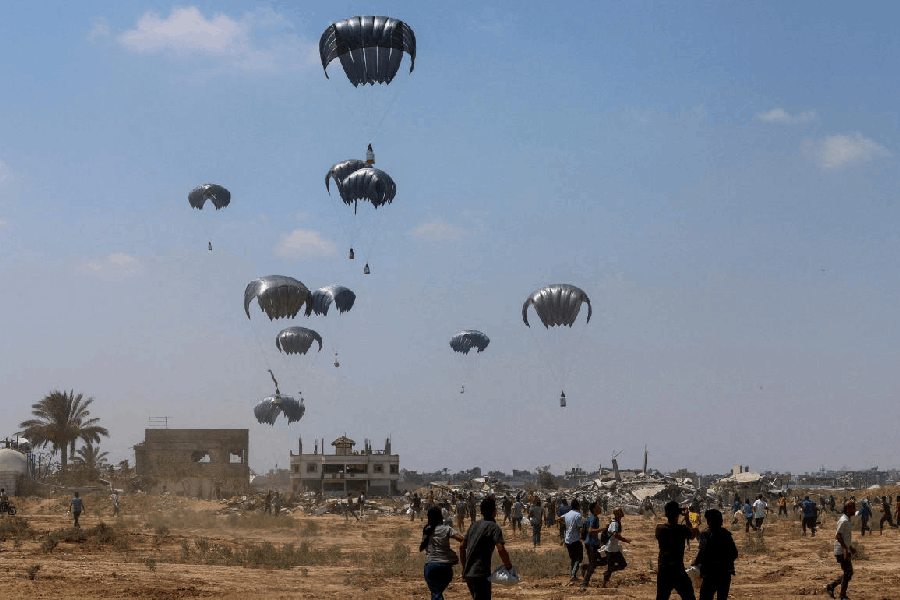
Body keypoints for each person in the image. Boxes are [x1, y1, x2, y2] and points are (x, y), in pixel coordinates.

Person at [459, 497, 513, 600]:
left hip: (469, 572)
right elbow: (501, 549)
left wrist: (464, 567)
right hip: (481, 573)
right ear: (494, 511)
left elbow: (462, 546)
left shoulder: (474, 525)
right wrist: (508, 566)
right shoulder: (494, 527)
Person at [655, 500, 698, 600]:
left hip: (664, 569)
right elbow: (693, 534)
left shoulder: (660, 529)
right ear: (678, 514)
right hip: (678, 570)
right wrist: (687, 518)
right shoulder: (682, 529)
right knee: (689, 597)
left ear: (666, 514)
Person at [692, 509, 738, 600]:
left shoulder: (705, 535)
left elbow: (702, 553)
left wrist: (696, 563)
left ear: (708, 522)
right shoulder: (726, 534)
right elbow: (734, 553)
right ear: (721, 521)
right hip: (725, 574)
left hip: (710, 574)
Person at [420, 506, 463, 600]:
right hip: (446, 566)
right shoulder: (447, 529)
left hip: (430, 564)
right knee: (437, 592)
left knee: (436, 592)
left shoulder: (426, 530)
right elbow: (461, 539)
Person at [825, 500, 857, 599]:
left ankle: (831, 586)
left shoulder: (847, 519)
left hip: (845, 549)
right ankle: (842, 596)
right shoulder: (843, 520)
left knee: (849, 573)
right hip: (841, 551)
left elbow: (844, 536)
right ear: (847, 509)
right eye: (853, 507)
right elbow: (838, 536)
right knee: (847, 573)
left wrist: (850, 548)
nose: (855, 509)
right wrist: (845, 549)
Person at [601, 506, 630, 588]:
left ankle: (607, 573)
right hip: (611, 549)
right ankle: (603, 583)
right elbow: (615, 534)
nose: (622, 512)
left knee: (622, 564)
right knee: (617, 565)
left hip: (614, 548)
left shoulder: (616, 522)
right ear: (617, 514)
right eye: (620, 511)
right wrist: (625, 540)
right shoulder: (614, 523)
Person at [556, 498, 583, 582]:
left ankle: (573, 574)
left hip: (567, 539)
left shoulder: (567, 514)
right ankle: (573, 575)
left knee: (573, 558)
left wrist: (565, 524)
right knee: (579, 558)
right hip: (575, 539)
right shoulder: (578, 515)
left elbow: (558, 519)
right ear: (578, 506)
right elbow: (580, 527)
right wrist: (583, 537)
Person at [580, 502, 604, 588]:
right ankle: (584, 583)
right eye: (598, 507)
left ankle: (584, 566)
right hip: (591, 544)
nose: (600, 508)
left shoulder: (591, 518)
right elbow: (590, 531)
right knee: (593, 564)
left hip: (592, 543)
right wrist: (603, 529)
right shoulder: (594, 519)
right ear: (594, 509)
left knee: (598, 561)